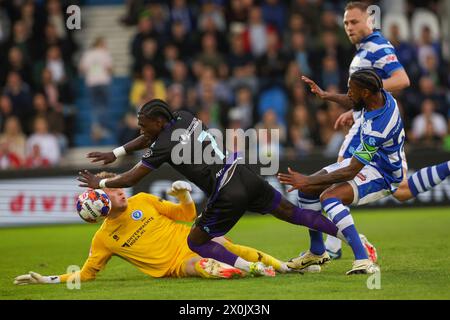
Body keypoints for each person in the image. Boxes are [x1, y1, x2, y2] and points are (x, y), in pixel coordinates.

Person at [78, 99, 346, 277]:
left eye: (142, 123)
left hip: (225, 188)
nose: (140, 127)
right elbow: (147, 137)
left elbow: (130, 179)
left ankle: (252, 268)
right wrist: (118, 151)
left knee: (196, 241)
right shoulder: (183, 116)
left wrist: (100, 183)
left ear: (158, 122)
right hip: (241, 171)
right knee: (291, 212)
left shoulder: (163, 145)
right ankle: (353, 239)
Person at [301, 1, 450, 260]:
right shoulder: (364, 49)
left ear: (369, 20)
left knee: (339, 177)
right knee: (400, 189)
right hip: (369, 118)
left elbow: (402, 79)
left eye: (354, 21)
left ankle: (336, 246)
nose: (349, 27)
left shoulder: (376, 46)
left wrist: (370, 97)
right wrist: (356, 106)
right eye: (346, 23)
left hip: (375, 124)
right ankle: (335, 245)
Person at [14, 173, 295, 286]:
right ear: (100, 204)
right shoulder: (103, 239)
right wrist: (48, 280)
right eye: (112, 190)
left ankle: (283, 267)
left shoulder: (143, 200)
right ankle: (251, 269)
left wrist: (182, 195)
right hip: (177, 264)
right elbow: (86, 275)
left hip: (190, 240)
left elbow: (187, 215)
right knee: (204, 265)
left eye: (116, 185)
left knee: (223, 242)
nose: (120, 190)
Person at [279, 69, 415, 274]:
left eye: (352, 89)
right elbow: (355, 101)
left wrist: (307, 179)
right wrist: (326, 95)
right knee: (307, 191)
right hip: (368, 162)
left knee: (329, 197)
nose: (348, 93)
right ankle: (317, 252)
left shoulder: (379, 128)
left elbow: (351, 171)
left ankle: (363, 259)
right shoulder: (381, 96)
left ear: (366, 93)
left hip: (384, 174)